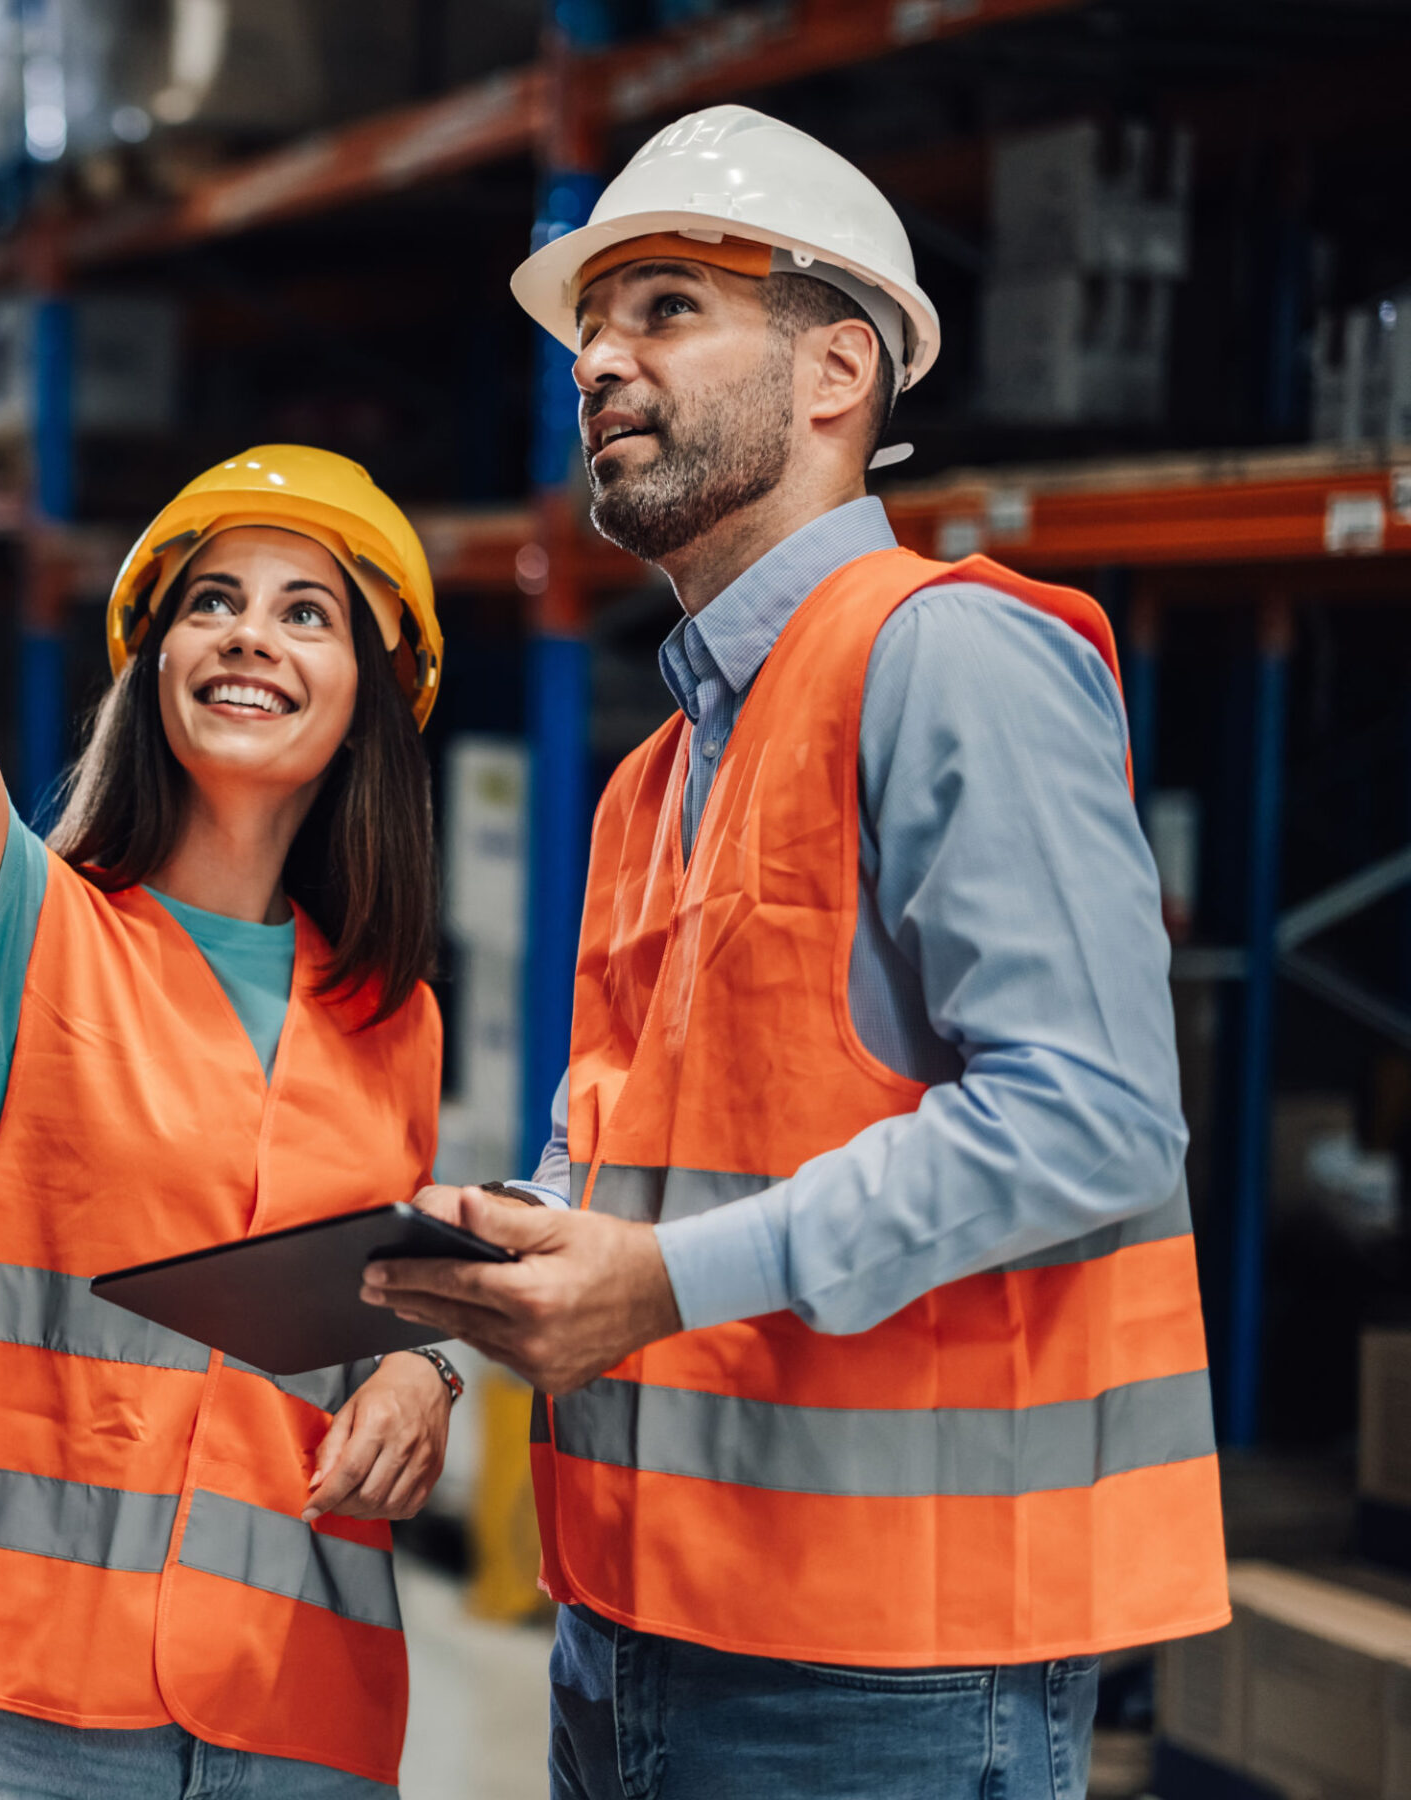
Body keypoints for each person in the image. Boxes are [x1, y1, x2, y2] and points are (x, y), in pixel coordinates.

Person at [364, 105, 1228, 1800]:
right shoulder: (653, 774)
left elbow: (1095, 1120)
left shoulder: (949, 662)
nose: (600, 361)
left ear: (838, 373)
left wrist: (662, 1283)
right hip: (635, 1622)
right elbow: (625, 1165)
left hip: (888, 1671)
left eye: (666, 308)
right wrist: (458, 1298)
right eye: (590, 330)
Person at [0, 156, 463, 1799]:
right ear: (153, 664)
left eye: (309, 612)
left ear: (368, 700)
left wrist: (417, 1364)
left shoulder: (391, 1020)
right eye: (213, 604)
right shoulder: (35, 941)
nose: (254, 636)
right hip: (15, 1706)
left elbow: (356, 1309)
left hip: (294, 1715)